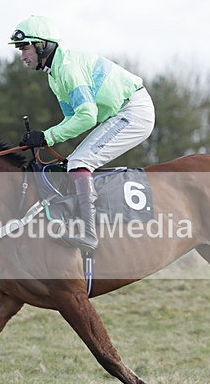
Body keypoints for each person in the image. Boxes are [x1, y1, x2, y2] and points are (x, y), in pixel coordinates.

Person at [10, 15, 155, 251]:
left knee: (79, 162)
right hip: (120, 113)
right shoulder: (54, 75)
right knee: (72, 164)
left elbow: (87, 116)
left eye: (25, 48)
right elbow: (73, 119)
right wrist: (42, 137)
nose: (22, 57)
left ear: (42, 45)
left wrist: (47, 136)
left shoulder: (67, 69)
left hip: (133, 111)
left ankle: (90, 234)